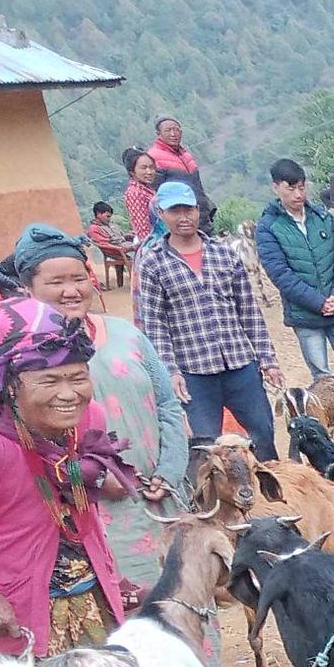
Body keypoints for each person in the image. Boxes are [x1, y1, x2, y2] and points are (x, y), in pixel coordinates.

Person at [12, 225, 191, 604]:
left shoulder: (126, 334)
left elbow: (167, 405)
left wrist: (170, 472)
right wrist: (88, 479)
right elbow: (21, 446)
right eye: (56, 281)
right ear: (28, 290)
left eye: (79, 277)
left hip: (162, 501)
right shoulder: (17, 360)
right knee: (130, 624)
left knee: (187, 608)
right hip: (93, 519)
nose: (71, 290)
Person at [0, 298, 138, 661]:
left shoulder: (87, 419)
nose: (68, 394)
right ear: (10, 384)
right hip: (14, 622)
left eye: (78, 377)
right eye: (49, 380)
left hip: (92, 600)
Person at [135, 182, 282, 461]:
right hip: (194, 372)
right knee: (208, 448)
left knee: (262, 435)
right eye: (174, 210)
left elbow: (248, 311)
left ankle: (272, 496)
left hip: (239, 364)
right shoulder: (153, 262)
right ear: (161, 213)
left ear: (198, 210)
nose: (183, 217)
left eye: (188, 209)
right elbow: (155, 324)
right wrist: (171, 371)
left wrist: (268, 359)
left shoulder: (223, 252)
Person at [255, 158, 334, 380]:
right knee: (322, 378)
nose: (298, 194)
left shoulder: (322, 218)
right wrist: (318, 302)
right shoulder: (268, 228)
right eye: (291, 188)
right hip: (305, 316)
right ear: (276, 187)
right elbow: (281, 275)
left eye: (302, 187)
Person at [146, 117, 213, 233]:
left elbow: (198, 187)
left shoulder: (186, 155)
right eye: (168, 130)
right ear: (158, 134)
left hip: (200, 217)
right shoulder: (154, 157)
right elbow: (156, 193)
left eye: (176, 130)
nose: (173, 134)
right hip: (180, 222)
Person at [122, 148, 160, 248]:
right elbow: (143, 229)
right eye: (144, 168)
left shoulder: (147, 189)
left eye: (152, 167)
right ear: (132, 171)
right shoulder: (135, 193)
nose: (149, 172)